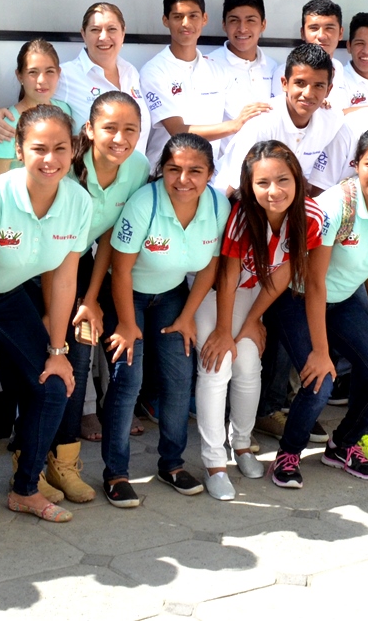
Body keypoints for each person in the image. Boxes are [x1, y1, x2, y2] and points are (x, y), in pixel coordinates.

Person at [262, 125, 368, 485]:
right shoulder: (336, 205)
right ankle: (288, 453)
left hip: (344, 301)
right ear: (356, 164)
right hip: (298, 300)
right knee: (321, 380)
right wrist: (320, 350)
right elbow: (315, 282)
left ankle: (343, 445)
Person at [0, 105, 91, 523]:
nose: (50, 159)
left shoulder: (78, 201)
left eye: (60, 148)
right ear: (18, 149)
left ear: (74, 150)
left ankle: (25, 489)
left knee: (54, 384)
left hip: (5, 295)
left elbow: (63, 279)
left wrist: (58, 350)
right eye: (39, 148)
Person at [100, 133, 230, 506]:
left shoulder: (218, 205)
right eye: (173, 169)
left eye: (195, 171)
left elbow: (211, 266)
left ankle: (171, 463)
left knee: (179, 377)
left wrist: (188, 315)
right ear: (161, 171)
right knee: (129, 378)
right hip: (128, 295)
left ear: (209, 174)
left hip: (172, 296)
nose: (183, 179)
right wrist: (127, 324)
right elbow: (120, 270)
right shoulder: (146, 203)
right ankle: (116, 474)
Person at [190, 141, 311, 500]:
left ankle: (241, 444)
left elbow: (281, 276)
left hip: (251, 296)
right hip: (212, 293)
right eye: (262, 183)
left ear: (297, 179)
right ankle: (213, 463)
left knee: (248, 364)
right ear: (248, 184)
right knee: (217, 364)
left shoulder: (306, 216)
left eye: (282, 180)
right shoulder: (242, 215)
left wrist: (253, 321)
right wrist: (225, 331)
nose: (273, 191)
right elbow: (225, 278)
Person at [62, 91, 151, 503]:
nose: (120, 138)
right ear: (89, 130)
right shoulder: (68, 168)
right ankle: (51, 464)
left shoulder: (137, 167)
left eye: (130, 129)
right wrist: (76, 299)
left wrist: (92, 297)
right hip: (48, 268)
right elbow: (55, 244)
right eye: (110, 128)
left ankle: (96, 469)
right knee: (69, 367)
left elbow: (111, 238)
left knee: (106, 364)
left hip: (93, 266)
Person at [140, 0, 259, 163]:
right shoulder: (154, 71)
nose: (186, 23)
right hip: (164, 173)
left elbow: (245, 117)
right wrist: (234, 126)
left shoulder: (217, 70)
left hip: (208, 176)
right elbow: (178, 131)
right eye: (178, 17)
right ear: (166, 20)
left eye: (193, 16)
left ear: (204, 19)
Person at [218, 44, 351, 197]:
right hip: (237, 197)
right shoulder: (262, 123)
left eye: (318, 86)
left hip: (283, 199)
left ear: (328, 90)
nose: (308, 93)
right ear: (284, 84)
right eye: (300, 83)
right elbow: (233, 185)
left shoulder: (332, 121)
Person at [54, 2, 149, 152]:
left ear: (123, 33)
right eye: (95, 30)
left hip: (138, 174)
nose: (104, 37)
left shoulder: (131, 72)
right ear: (83, 34)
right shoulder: (65, 76)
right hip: (87, 175)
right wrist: (2, 114)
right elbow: (31, 108)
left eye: (112, 29)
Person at [206, 0, 279, 159]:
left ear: (263, 24)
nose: (242, 29)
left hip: (264, 168)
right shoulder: (208, 65)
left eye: (250, 20)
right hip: (221, 173)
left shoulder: (274, 67)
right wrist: (236, 123)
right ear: (224, 25)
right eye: (234, 20)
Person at [0, 40, 71, 179]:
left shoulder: (65, 110)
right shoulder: (6, 124)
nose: (42, 80)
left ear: (58, 73)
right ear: (20, 76)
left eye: (49, 71)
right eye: (33, 72)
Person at [282, 0, 347, 100]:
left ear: (340, 33)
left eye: (329, 28)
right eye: (314, 28)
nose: (321, 36)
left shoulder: (339, 68)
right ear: (302, 33)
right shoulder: (286, 71)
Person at [333, 12, 368, 112]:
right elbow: (337, 115)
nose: (366, 51)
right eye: (360, 43)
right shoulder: (337, 79)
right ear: (349, 46)